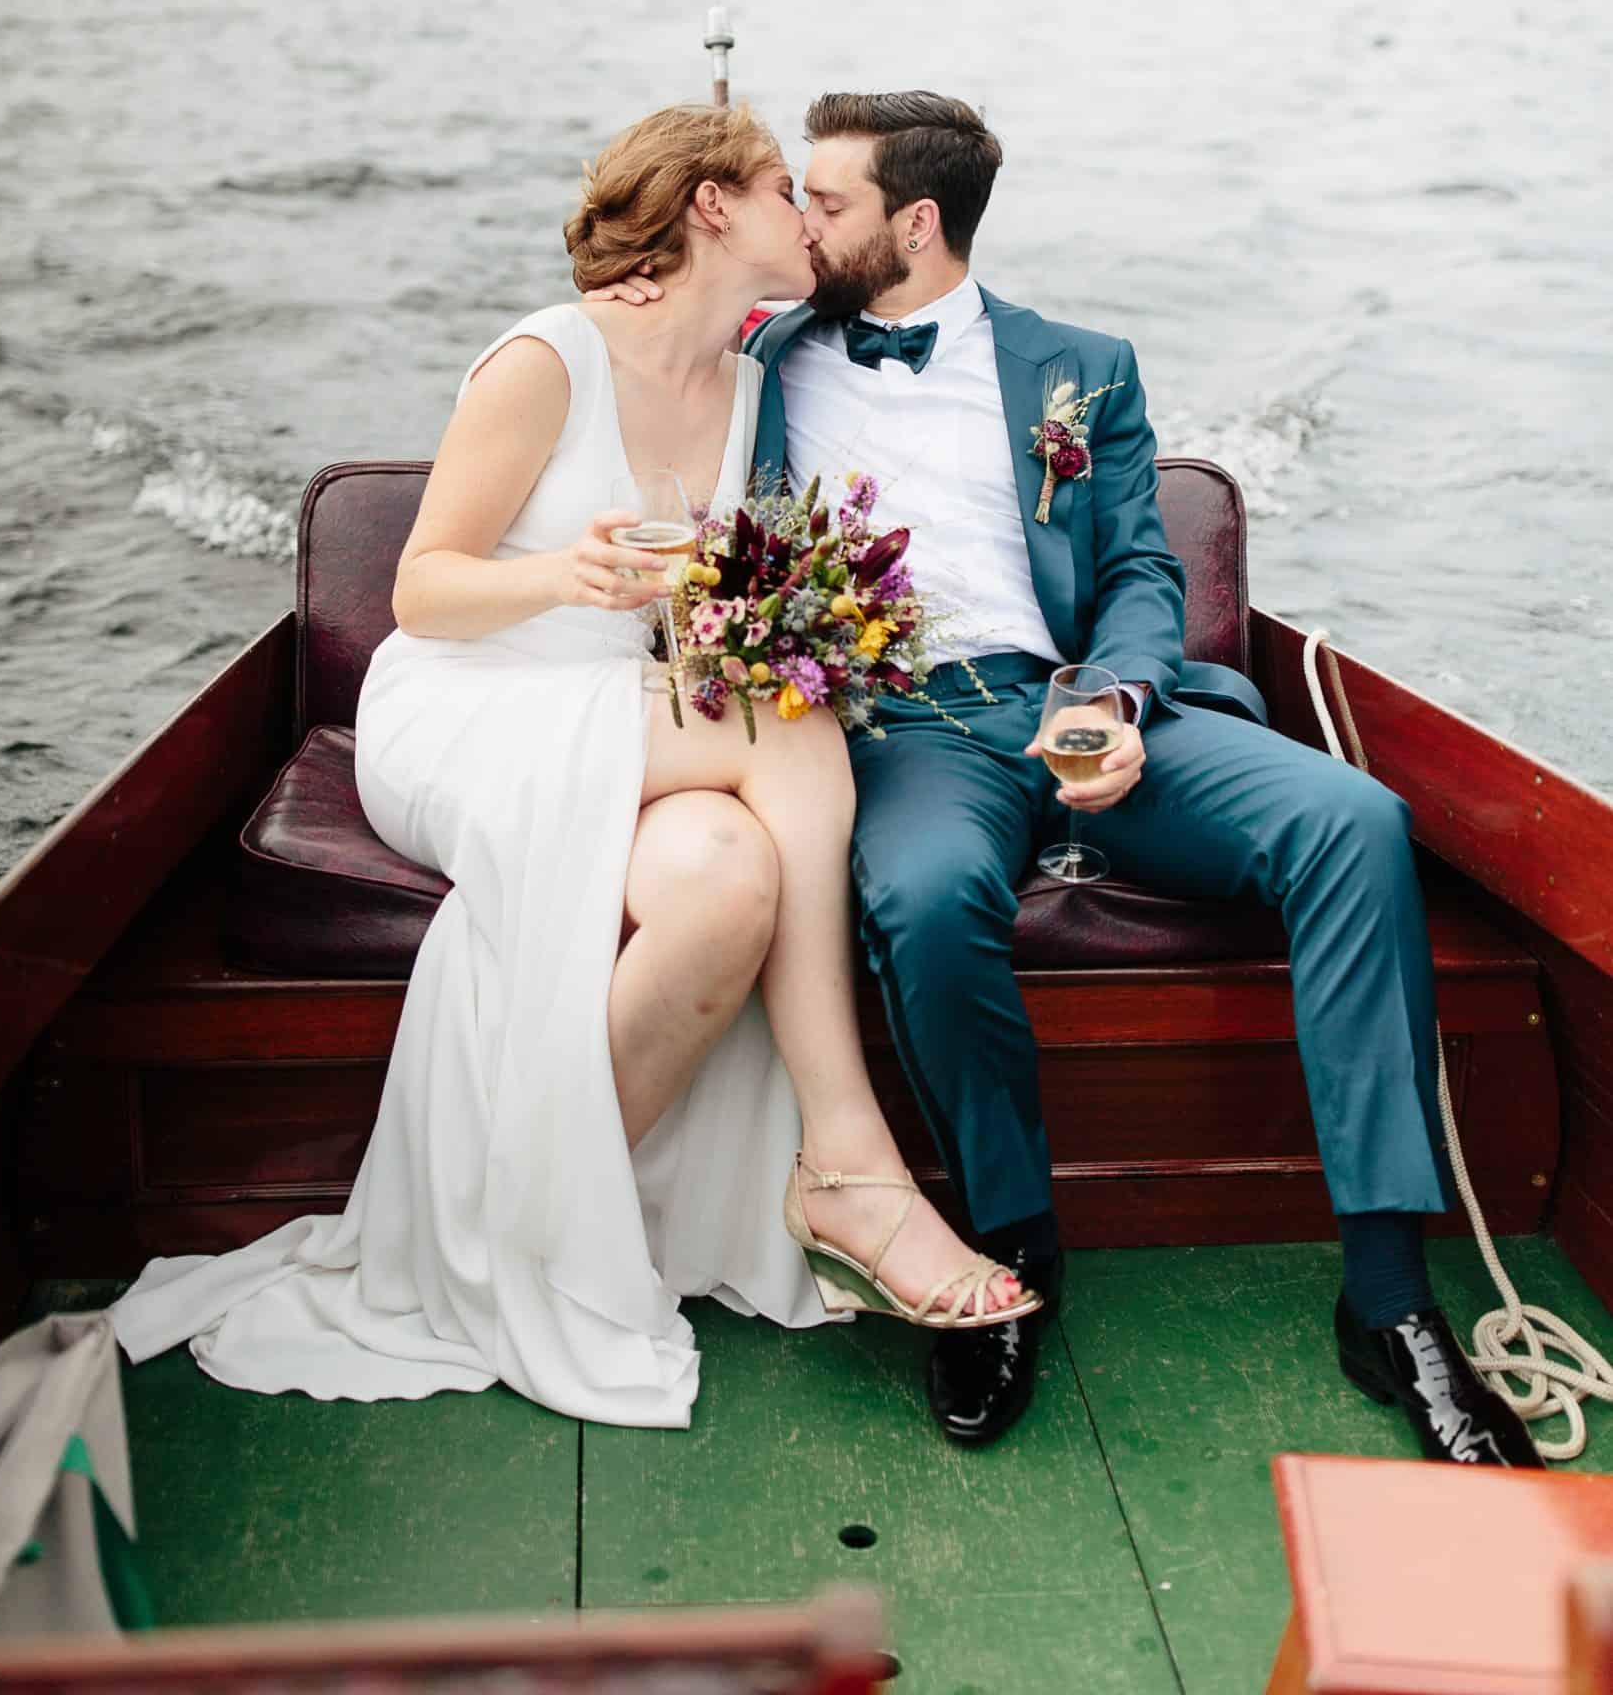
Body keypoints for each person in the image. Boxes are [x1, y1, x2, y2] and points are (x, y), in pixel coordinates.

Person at [595, 88, 1541, 1467]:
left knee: (1355, 822)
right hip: (903, 734)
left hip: (1079, 700)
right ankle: (1008, 1251)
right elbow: (638, 349)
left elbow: (1144, 569)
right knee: (925, 899)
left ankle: (1390, 1300)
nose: (801, 222)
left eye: (829, 201)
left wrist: (1116, 698)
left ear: (917, 224)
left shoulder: (1082, 369)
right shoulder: (765, 359)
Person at [110, 103, 1037, 1430]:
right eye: (786, 190)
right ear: (712, 206)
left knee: (726, 874)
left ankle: (528, 1221)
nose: (809, 216)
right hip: (470, 706)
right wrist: (565, 574)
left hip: (625, 706)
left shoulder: (755, 390)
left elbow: (702, 613)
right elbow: (423, 592)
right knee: (789, 725)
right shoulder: (547, 359)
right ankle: (848, 1162)